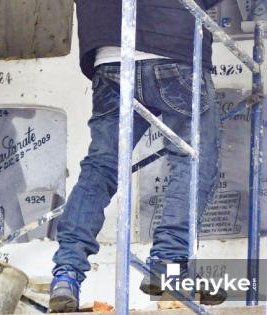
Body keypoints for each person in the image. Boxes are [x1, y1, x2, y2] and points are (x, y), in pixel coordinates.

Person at [49, 1, 225, 312]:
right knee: (193, 160)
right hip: (173, 47)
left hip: (107, 55)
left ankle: (66, 274)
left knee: (100, 168)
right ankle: (169, 265)